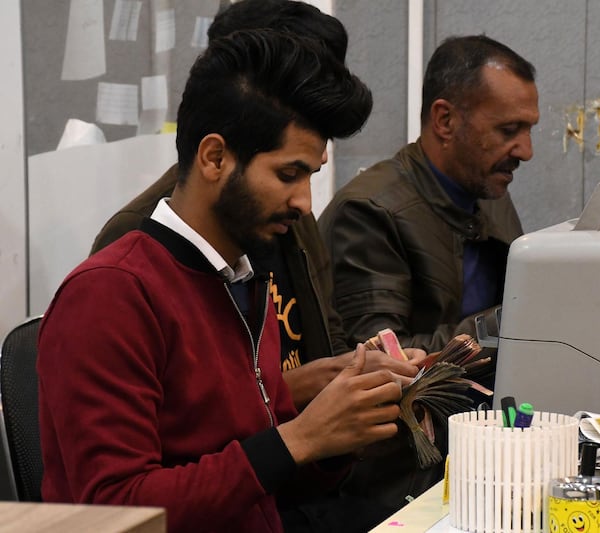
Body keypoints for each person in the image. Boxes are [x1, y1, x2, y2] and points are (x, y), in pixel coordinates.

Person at [38, 30, 403, 533]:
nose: (305, 202)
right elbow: (116, 511)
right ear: (214, 158)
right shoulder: (111, 294)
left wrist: (339, 438)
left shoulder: (243, 277)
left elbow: (261, 486)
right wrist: (299, 439)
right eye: (288, 174)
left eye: (311, 175)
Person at [90, 0, 423, 411]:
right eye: (288, 173)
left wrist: (358, 369)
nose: (304, 200)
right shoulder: (131, 255)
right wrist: (295, 409)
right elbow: (181, 429)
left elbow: (325, 335)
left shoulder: (288, 218)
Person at [318, 34, 539, 516]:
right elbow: (382, 369)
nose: (525, 150)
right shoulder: (371, 212)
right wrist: (521, 322)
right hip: (396, 481)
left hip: (476, 452)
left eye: (528, 130)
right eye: (508, 130)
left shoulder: (486, 190)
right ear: (445, 120)